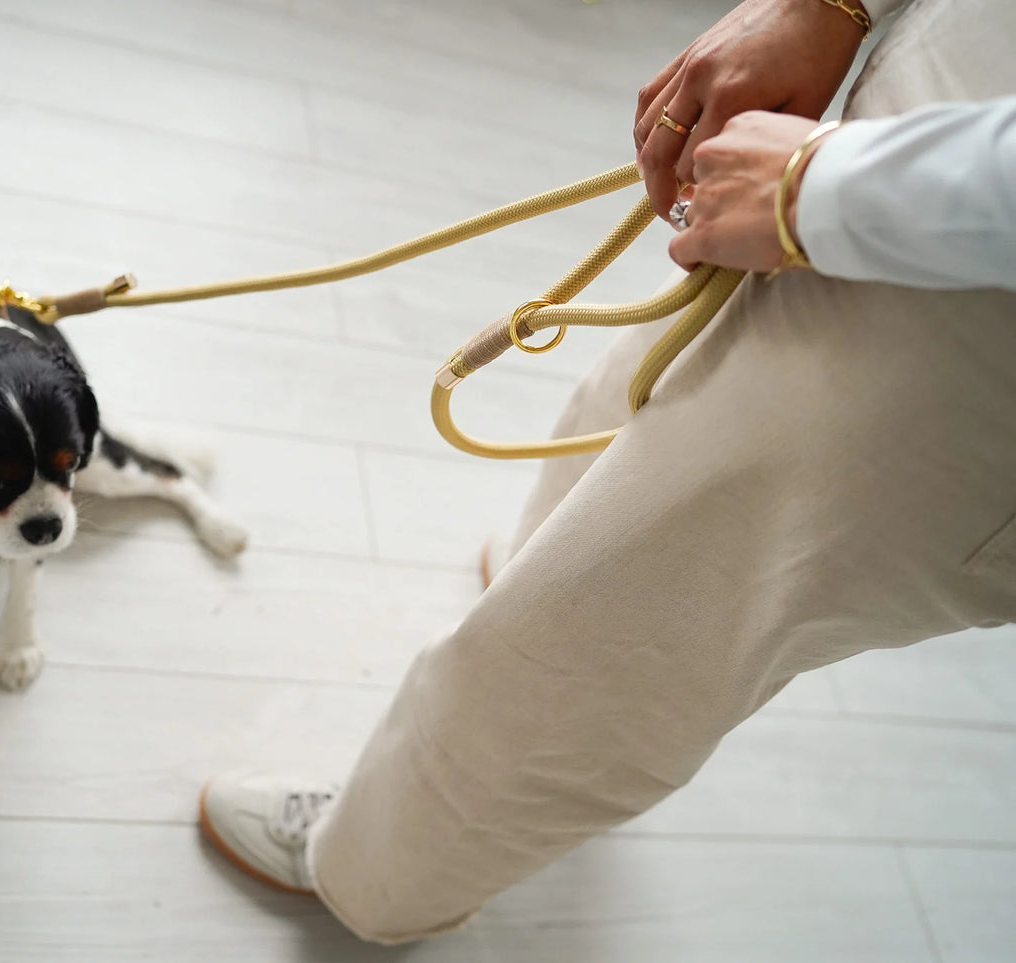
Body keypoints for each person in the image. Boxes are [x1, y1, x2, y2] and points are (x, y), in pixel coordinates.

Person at [199, 0, 1016, 944]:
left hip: (968, 334)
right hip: (886, 135)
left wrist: (830, 189)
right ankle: (532, 569)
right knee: (632, 403)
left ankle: (379, 871)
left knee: (606, 644)